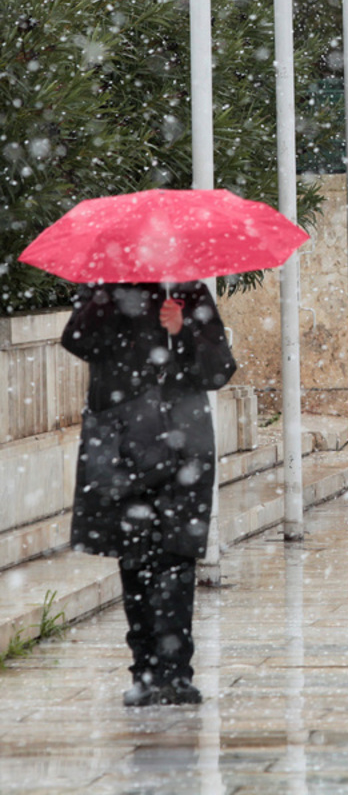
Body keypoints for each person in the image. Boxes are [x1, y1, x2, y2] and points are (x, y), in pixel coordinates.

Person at [63, 281, 237, 706]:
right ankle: (143, 671)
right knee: (134, 557)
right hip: (123, 446)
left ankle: (176, 673)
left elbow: (219, 369)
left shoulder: (189, 291)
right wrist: (109, 301)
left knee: (176, 556)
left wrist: (182, 332)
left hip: (182, 448)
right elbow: (77, 340)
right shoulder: (103, 288)